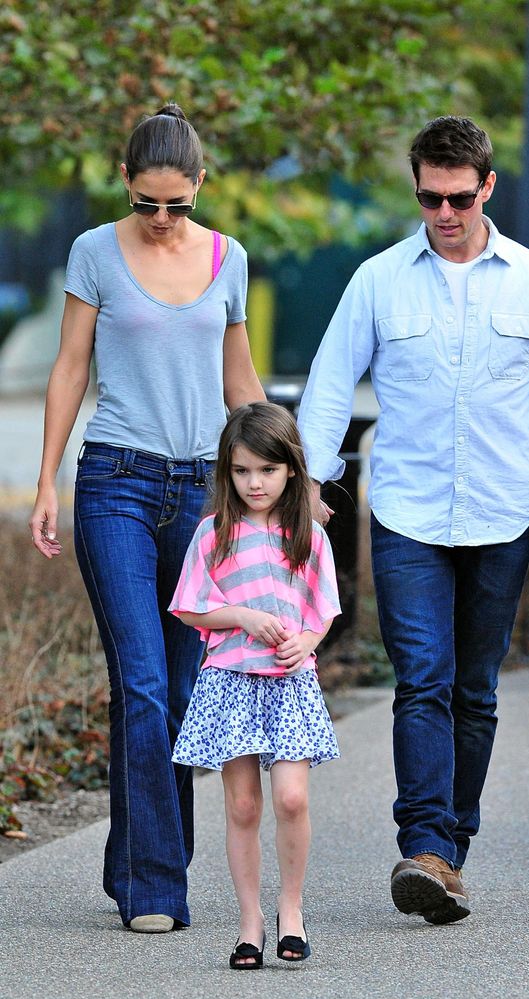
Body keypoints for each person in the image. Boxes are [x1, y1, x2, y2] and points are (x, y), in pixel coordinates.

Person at [297, 115, 529, 925]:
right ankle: (425, 844)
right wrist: (308, 484)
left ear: (488, 187)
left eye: (459, 197)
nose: (444, 212)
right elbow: (330, 387)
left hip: (504, 518)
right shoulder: (376, 280)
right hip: (407, 514)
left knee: (476, 692)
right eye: (429, 197)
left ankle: (451, 852)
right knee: (423, 681)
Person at [28, 103, 265, 933]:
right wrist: (48, 480)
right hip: (116, 484)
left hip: (201, 494)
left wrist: (285, 477)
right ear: (126, 182)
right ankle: (157, 885)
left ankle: (134, 859)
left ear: (200, 184)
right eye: (147, 204)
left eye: (178, 204)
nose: (163, 220)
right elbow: (68, 366)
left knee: (180, 690)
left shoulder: (229, 258)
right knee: (140, 681)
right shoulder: (93, 251)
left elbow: (241, 382)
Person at [169, 402, 340, 968]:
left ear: (290, 469)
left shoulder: (309, 536)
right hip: (229, 681)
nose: (254, 483)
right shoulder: (212, 534)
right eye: (242, 471)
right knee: (243, 805)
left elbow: (323, 611)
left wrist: (306, 643)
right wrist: (240, 616)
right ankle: (251, 923)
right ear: (227, 472)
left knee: (291, 797)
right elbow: (191, 609)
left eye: (266, 470)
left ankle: (292, 909)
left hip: (288, 683)